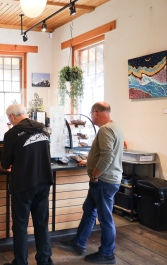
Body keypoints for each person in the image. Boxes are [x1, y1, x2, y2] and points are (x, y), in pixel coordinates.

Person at [60, 101, 124, 264]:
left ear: (96, 112)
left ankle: (107, 254)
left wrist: (95, 175)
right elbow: (105, 153)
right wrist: (89, 161)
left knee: (105, 218)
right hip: (106, 179)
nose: (91, 117)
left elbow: (107, 156)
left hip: (103, 181)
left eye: (91, 113)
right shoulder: (115, 127)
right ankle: (78, 243)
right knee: (89, 210)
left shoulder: (105, 130)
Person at [0, 103, 54, 265]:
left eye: (10, 119)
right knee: (41, 223)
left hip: (22, 184)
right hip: (44, 181)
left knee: (20, 226)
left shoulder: (11, 134)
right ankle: (45, 260)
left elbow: (5, 164)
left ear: (12, 117)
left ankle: (20, 262)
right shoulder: (43, 129)